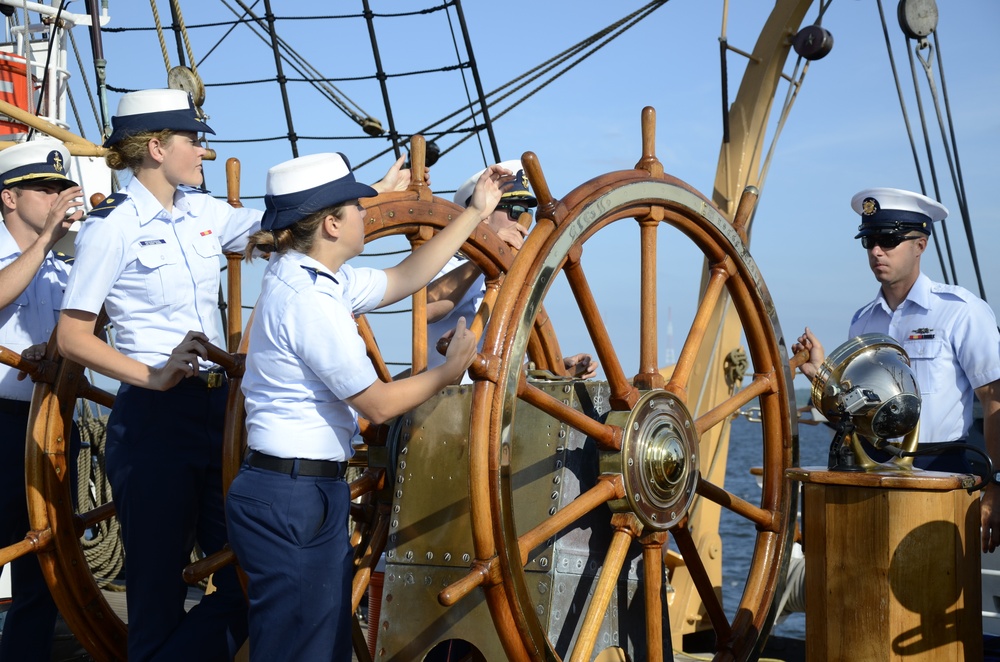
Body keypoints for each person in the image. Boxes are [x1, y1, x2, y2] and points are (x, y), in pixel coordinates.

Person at [223, 152, 507, 659]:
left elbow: (404, 278)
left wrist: (474, 212)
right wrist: (445, 373)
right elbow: (376, 405)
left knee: (316, 648)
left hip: (301, 491)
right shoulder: (308, 301)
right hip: (293, 497)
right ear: (332, 224)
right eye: (356, 205)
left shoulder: (314, 279)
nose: (363, 211)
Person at [793, 187, 1000, 553]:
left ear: (920, 244)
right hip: (871, 473)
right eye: (870, 240)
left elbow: (995, 400)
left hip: (943, 472)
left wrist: (996, 484)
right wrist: (820, 373)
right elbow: (854, 412)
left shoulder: (961, 312)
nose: (876, 251)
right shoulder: (862, 323)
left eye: (888, 240)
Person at [0, 139, 83, 661]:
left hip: (52, 426)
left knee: (45, 573)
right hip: (1, 424)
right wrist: (48, 241)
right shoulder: (40, 255)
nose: (56, 196)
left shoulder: (63, 262)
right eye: (42, 187)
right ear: (8, 198)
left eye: (60, 186)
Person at [426, 159, 598, 380]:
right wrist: (487, 256)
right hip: (447, 400)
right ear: (485, 214)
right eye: (515, 211)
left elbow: (503, 368)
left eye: (527, 214)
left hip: (495, 405)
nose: (522, 222)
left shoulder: (515, 276)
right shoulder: (448, 259)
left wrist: (557, 370)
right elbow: (426, 309)